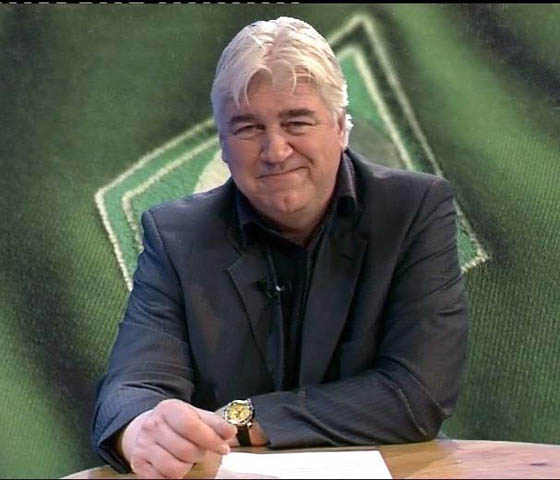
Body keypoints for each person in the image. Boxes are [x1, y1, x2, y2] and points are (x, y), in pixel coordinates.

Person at [92, 16, 468, 479]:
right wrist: (140, 431)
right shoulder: (176, 235)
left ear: (341, 128)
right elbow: (131, 387)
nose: (275, 150)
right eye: (248, 128)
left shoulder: (413, 210)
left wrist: (243, 420)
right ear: (223, 145)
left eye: (297, 122)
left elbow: (415, 394)